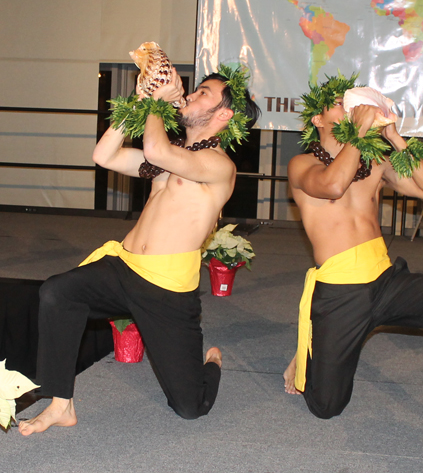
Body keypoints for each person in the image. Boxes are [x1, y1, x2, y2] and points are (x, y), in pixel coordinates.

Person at [19, 64, 261, 436]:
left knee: (189, 408)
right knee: (57, 291)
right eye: (194, 89)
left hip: (166, 289)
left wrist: (157, 104)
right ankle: (61, 404)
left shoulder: (218, 166)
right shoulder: (170, 157)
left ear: (224, 114)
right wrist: (138, 100)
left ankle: (210, 365)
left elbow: (155, 148)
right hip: (123, 267)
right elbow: (105, 155)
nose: (193, 94)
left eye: (204, 94)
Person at [283, 73, 423, 440]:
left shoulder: (374, 163)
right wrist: (359, 133)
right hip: (340, 290)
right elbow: (333, 185)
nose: (349, 109)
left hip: (386, 278)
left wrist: (392, 136)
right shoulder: (302, 165)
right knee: (326, 407)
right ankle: (308, 352)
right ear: (317, 119)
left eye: (351, 104)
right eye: (338, 105)